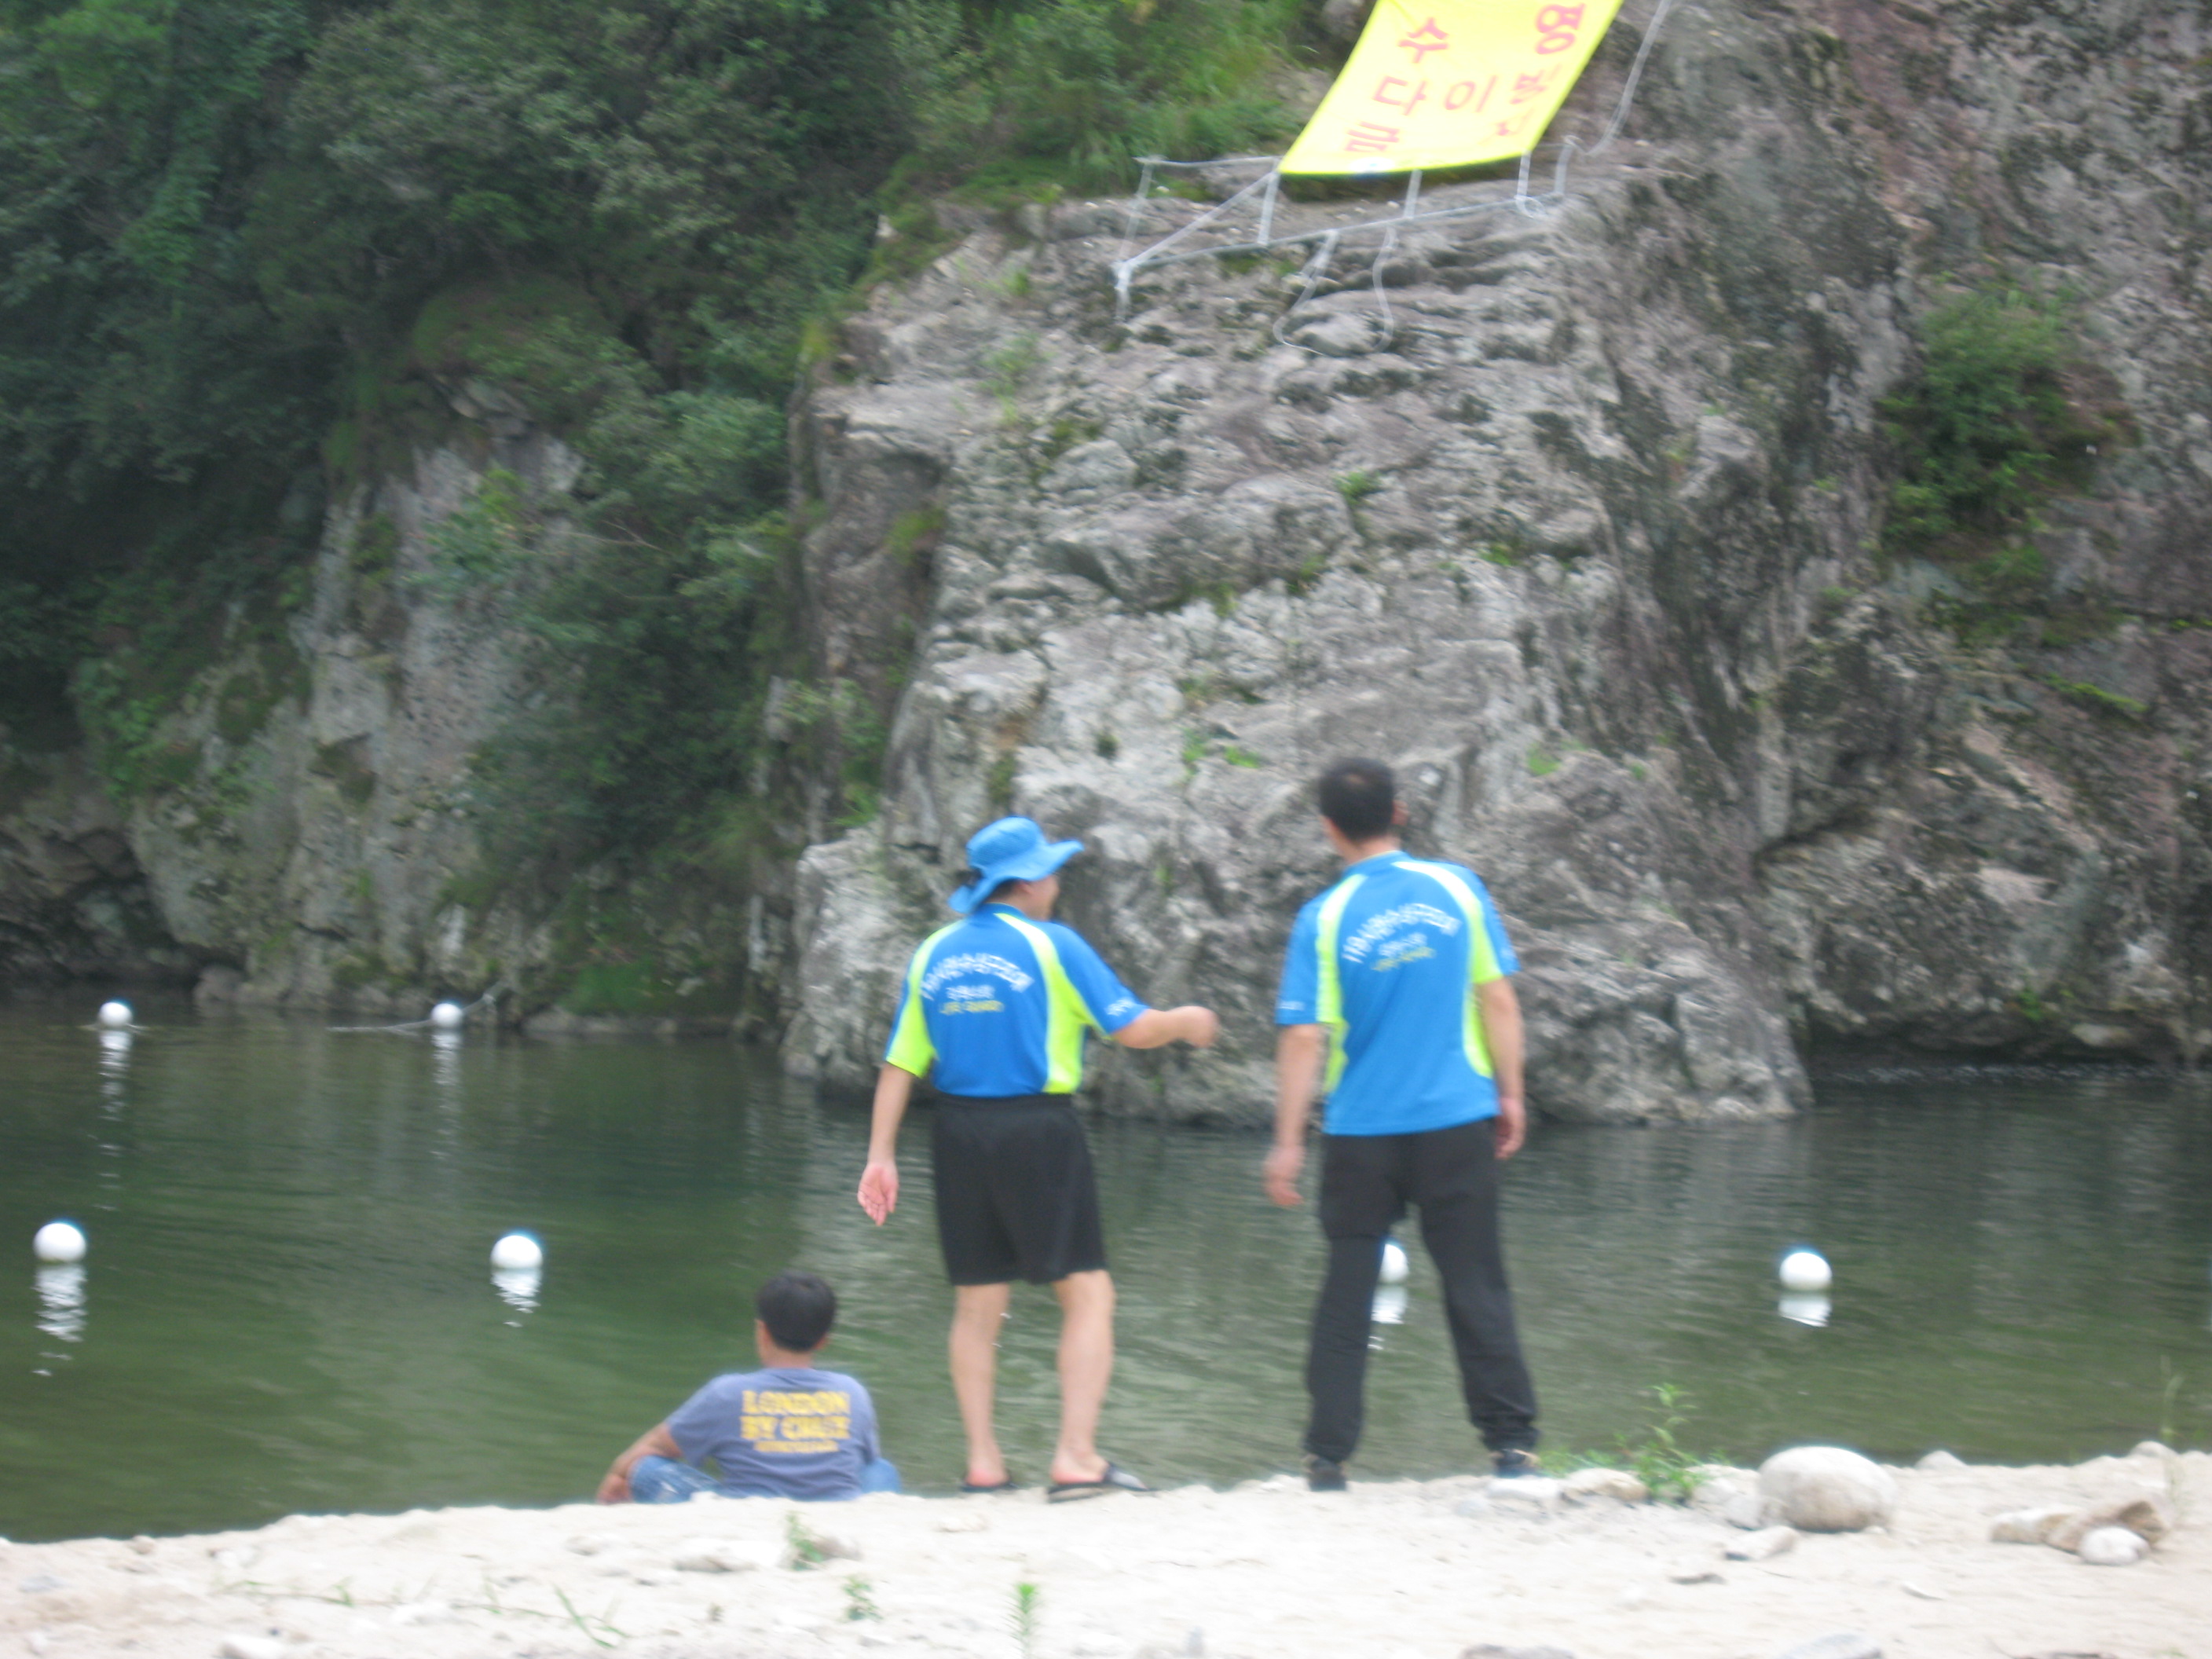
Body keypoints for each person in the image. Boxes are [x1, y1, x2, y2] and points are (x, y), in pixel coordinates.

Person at [858, 815, 1219, 1501]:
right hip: (1037, 1131)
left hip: (957, 1134)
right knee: (1088, 1294)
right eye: (1051, 871)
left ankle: (984, 1465)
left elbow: (900, 1062)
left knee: (977, 1305)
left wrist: (881, 1156)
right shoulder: (1053, 946)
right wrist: (1187, 1022)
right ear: (1026, 882)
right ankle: (1076, 1458)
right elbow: (1130, 1027)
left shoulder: (933, 952)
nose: (1056, 882)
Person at [1266, 757, 1540, 1490]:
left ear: (1329, 829)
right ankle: (1511, 1446)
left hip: (1361, 1132)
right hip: (1457, 1118)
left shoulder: (1323, 917)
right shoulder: (1458, 888)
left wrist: (1288, 1141)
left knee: (1348, 1288)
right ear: (1400, 813)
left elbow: (1304, 1037)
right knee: (1474, 1280)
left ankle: (1328, 1457)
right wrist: (1511, 1095)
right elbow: (1498, 999)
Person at [596, 1269, 898, 1503]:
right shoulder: (853, 1392)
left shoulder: (727, 1393)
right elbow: (861, 1462)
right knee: (881, 1470)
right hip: (833, 1513)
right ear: (823, 1340)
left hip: (747, 1516)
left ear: (762, 1331)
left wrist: (616, 1476)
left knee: (646, 1468)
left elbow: (655, 1447)